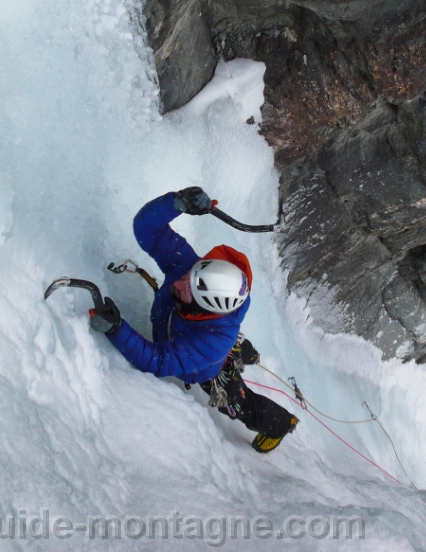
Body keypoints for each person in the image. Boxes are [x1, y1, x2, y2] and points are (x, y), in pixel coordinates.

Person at [89, 187, 298, 453]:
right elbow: (147, 230)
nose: (178, 280)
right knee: (227, 346)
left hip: (207, 368)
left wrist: (117, 329)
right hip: (210, 342)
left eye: (187, 289)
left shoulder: (209, 342)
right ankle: (243, 351)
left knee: (238, 405)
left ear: (205, 307)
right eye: (188, 277)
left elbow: (159, 360)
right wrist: (177, 203)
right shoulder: (190, 270)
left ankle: (280, 425)